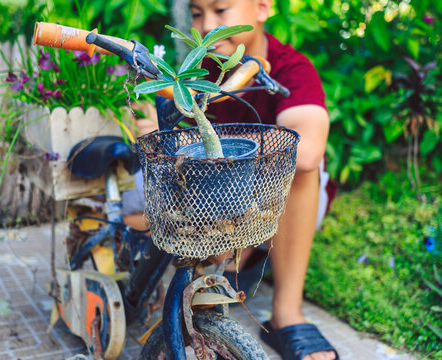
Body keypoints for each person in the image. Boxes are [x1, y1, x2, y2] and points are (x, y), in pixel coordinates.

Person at [126, 1, 337, 359]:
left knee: (298, 163)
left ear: (262, 7)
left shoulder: (291, 68)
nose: (207, 24)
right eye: (196, 13)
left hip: (278, 211)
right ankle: (207, 280)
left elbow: (309, 147)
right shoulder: (199, 73)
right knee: (138, 210)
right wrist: (148, 121)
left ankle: (287, 314)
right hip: (221, 207)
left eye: (220, 10)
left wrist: (200, 142)